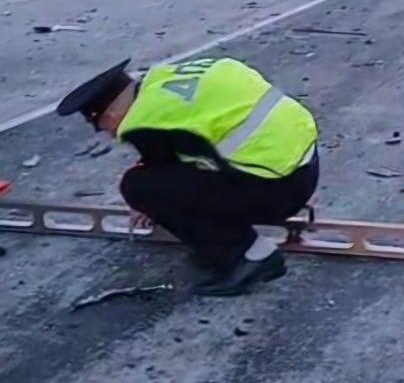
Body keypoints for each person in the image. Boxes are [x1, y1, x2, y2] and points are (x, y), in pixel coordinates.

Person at [57, 57, 320, 297]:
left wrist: (146, 205)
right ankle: (221, 244)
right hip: (304, 164)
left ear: (110, 115)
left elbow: (158, 173)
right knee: (170, 181)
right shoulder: (176, 77)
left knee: (138, 186)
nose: (111, 133)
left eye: (103, 127)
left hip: (278, 188)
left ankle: (248, 255)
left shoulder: (144, 121)